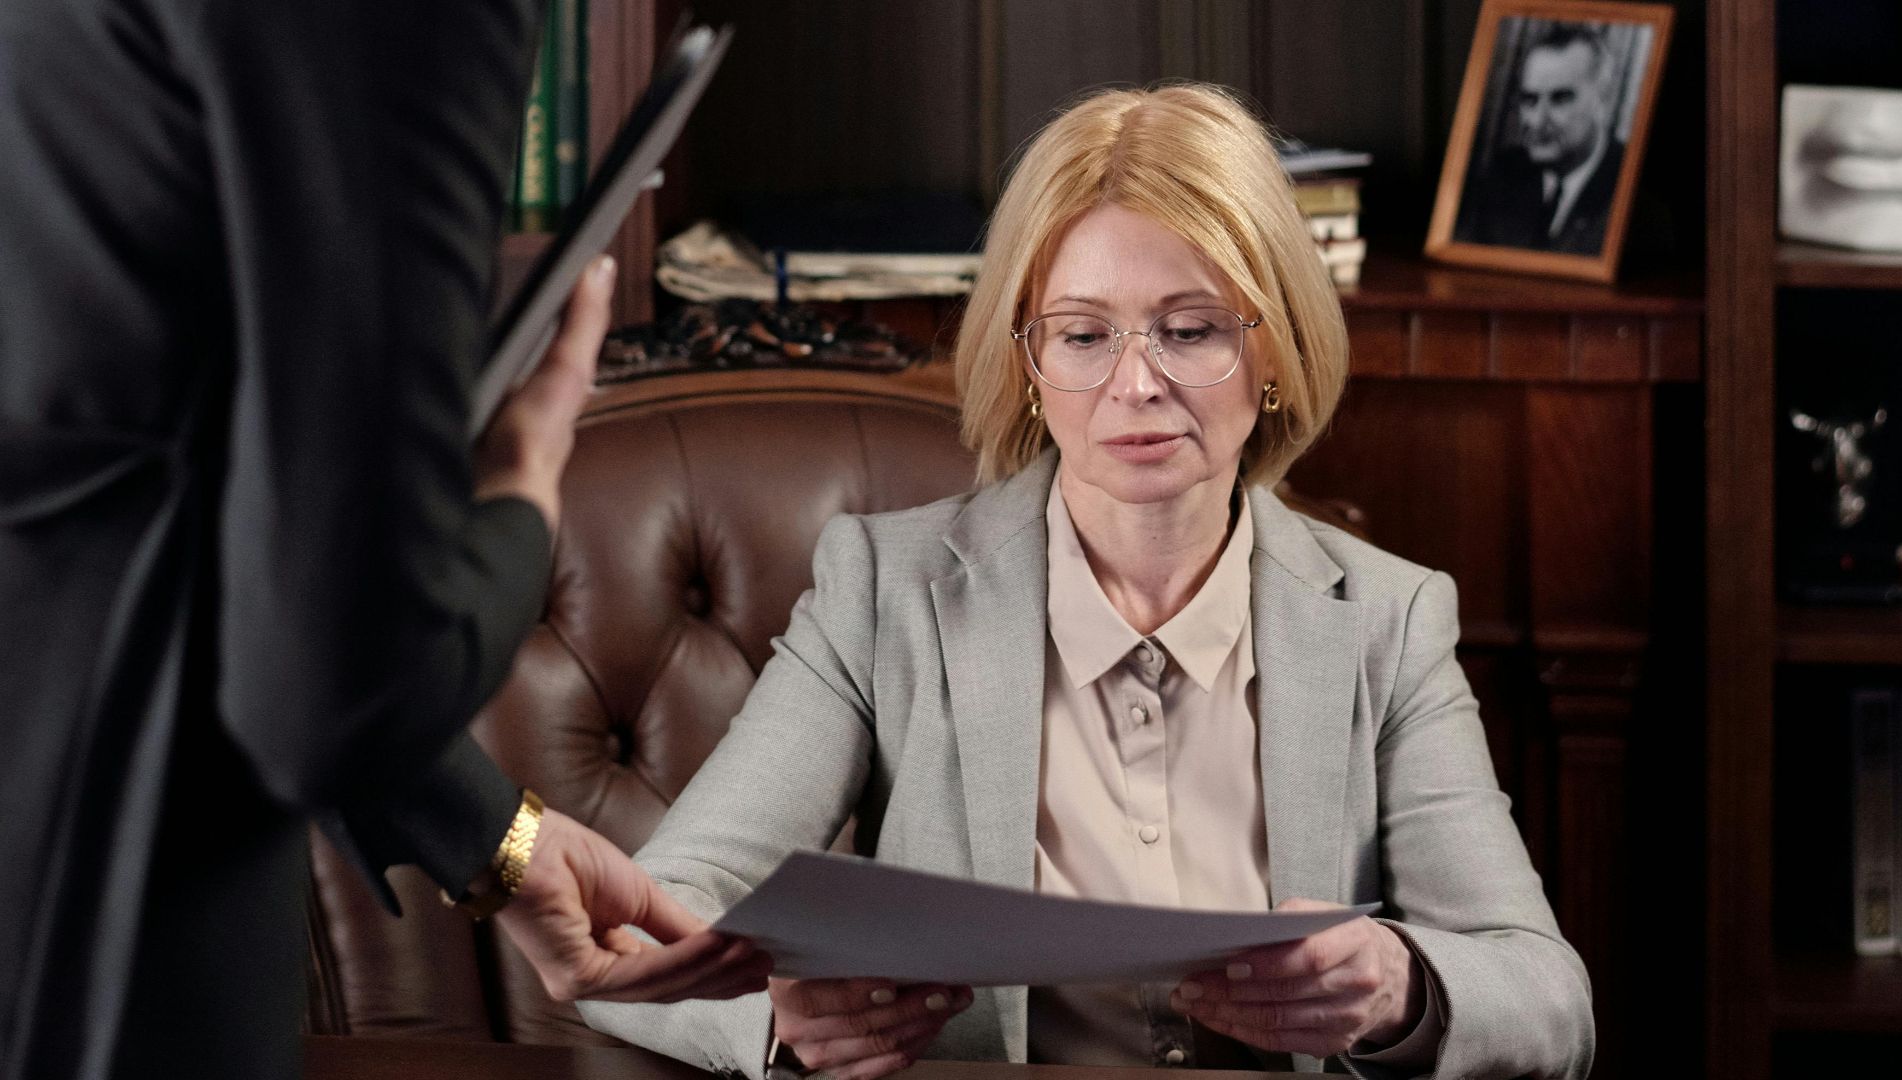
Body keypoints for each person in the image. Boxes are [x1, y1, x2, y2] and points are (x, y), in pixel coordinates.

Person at [578, 84, 1594, 1079]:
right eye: (1082, 334)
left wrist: (1401, 989)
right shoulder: (883, 593)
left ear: (1271, 349)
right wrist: (776, 1025)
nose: (1137, 382)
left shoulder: (1387, 617)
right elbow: (640, 924)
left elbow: (1548, 999)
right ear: (1028, 361)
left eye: (1190, 330)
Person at [0, 3, 767, 1079]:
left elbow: (149, 451)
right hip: (93, 911)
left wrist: (499, 844)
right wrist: (524, 490)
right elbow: (330, 688)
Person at [1454, 24, 1627, 255]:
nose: (1537, 121)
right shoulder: (1502, 174)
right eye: (1529, 99)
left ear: (1602, 99)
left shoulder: (1630, 183)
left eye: (1560, 99)